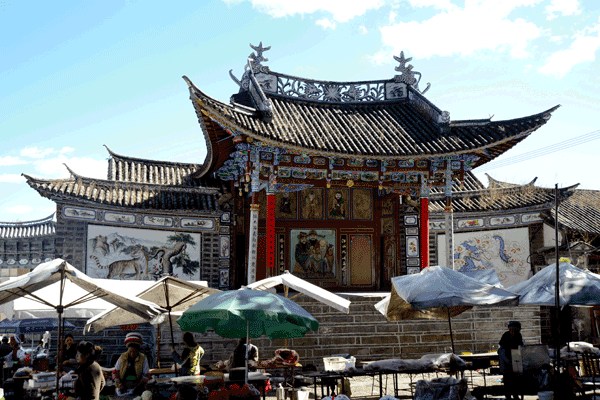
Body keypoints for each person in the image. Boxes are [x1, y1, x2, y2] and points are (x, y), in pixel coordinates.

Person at [112, 332, 150, 397]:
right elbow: (115, 372)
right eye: (130, 351)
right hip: (123, 384)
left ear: (138, 350)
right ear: (128, 349)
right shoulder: (123, 356)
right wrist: (118, 383)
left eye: (134, 352)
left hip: (137, 384)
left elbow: (146, 374)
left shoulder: (143, 358)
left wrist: (138, 386)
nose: (132, 354)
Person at [498, 320, 524, 400]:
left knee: (515, 379)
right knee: (507, 379)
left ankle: (515, 395)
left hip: (515, 356)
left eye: (515, 330)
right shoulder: (506, 335)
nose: (512, 331)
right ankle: (508, 396)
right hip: (506, 357)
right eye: (511, 329)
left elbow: (520, 346)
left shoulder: (518, 335)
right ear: (509, 329)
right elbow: (501, 348)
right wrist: (507, 361)